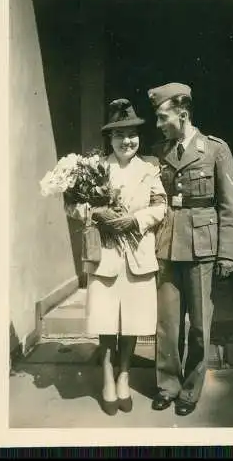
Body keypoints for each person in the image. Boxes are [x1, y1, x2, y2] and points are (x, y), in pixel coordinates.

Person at [66, 99, 166, 416]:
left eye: (132, 134)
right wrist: (94, 213)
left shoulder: (149, 168)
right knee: (107, 321)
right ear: (110, 139)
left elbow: (161, 207)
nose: (127, 141)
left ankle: (124, 376)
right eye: (120, 135)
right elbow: (73, 207)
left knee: (133, 321)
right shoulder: (95, 169)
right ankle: (108, 379)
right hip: (106, 256)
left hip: (138, 254)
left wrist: (135, 221)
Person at [147, 82, 233, 416]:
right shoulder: (160, 152)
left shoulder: (215, 149)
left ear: (182, 114)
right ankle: (167, 385)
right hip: (168, 244)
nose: (158, 125)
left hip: (203, 246)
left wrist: (227, 253)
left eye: (162, 117)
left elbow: (230, 205)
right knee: (167, 324)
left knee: (200, 324)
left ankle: (190, 389)